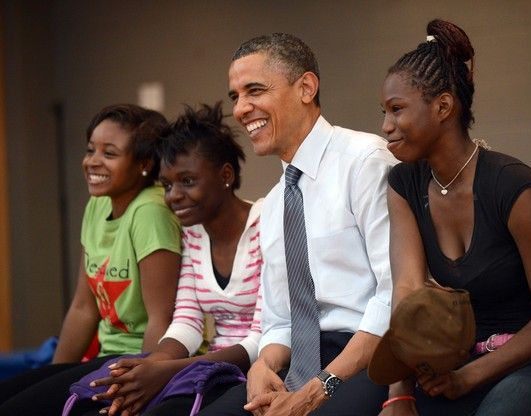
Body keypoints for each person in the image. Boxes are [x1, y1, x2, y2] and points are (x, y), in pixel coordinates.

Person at [379, 19, 531, 416]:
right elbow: (407, 295)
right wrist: (400, 394)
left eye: (396, 110)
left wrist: (469, 377)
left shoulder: (513, 186)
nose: (386, 126)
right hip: (462, 361)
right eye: (384, 112)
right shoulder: (403, 184)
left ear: (443, 106)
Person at [199, 33, 396, 416]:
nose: (241, 109)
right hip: (302, 359)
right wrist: (263, 365)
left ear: (306, 87)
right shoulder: (273, 205)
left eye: (254, 90)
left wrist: (318, 388)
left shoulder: (366, 161)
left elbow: (394, 297)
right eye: (235, 96)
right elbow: (279, 320)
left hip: (368, 355)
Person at [0, 104, 182, 414]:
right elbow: (84, 308)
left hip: (136, 361)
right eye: (90, 150)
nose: (92, 162)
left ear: (145, 163)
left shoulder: (150, 213)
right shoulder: (98, 205)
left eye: (109, 153)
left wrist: (139, 388)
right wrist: (53, 378)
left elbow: (160, 319)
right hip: (105, 358)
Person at [86, 102, 264, 416]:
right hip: (210, 369)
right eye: (167, 185)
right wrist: (147, 365)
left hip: (261, 371)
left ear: (226, 175)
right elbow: (187, 323)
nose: (173, 196)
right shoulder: (193, 233)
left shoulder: (266, 224)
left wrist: (166, 370)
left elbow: (262, 338)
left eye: (187, 181)